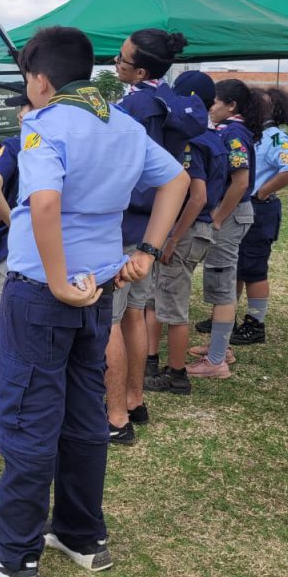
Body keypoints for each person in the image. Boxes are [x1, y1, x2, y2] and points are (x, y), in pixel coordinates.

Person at [0, 27, 188, 577]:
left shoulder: (45, 125)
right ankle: (82, 533)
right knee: (83, 412)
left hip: (43, 293)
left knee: (27, 413)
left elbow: (44, 203)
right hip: (100, 287)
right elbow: (178, 180)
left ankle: (14, 549)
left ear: (41, 80)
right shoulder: (123, 123)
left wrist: (57, 281)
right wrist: (147, 250)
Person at [106, 29, 205, 441]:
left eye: (122, 58)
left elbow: (118, 167)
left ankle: (115, 418)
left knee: (109, 320)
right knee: (134, 313)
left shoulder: (133, 107)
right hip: (154, 225)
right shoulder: (177, 103)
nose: (115, 62)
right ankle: (134, 399)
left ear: (140, 71)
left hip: (122, 223)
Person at [144, 71, 228, 396]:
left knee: (173, 306)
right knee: (158, 297)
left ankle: (177, 374)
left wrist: (173, 237)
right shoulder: (215, 139)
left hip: (186, 231)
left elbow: (197, 195)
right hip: (199, 229)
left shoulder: (192, 141)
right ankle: (151, 360)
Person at [187, 79, 263, 379]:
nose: (210, 108)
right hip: (232, 213)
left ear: (231, 106)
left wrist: (218, 217)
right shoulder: (231, 130)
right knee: (222, 281)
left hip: (231, 215)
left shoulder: (233, 134)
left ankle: (217, 361)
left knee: (222, 283)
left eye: (215, 102)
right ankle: (220, 346)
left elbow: (240, 182)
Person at [231, 87, 288, 345]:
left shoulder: (275, 138)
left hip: (259, 210)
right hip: (242, 208)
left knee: (254, 268)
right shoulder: (252, 135)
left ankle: (255, 323)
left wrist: (263, 191)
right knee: (236, 265)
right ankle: (226, 316)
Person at [0, 94, 32, 361]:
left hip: (15, 251)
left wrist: (15, 224)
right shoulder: (67, 143)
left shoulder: (16, 145)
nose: (19, 115)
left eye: (24, 109)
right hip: (54, 250)